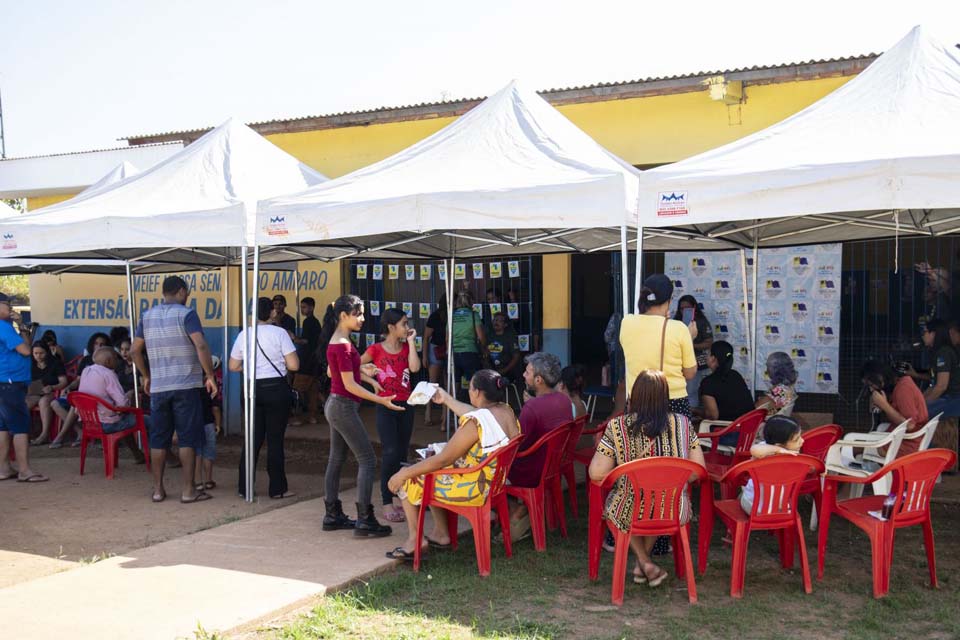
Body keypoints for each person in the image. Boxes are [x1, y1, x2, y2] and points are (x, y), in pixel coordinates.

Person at [588, 369, 705, 587]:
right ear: (666, 396)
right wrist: (671, 480)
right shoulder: (683, 424)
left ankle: (643, 561)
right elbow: (698, 470)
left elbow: (596, 473)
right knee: (656, 502)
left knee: (620, 504)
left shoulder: (618, 427)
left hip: (629, 507)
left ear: (635, 396)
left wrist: (624, 475)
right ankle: (643, 563)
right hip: (672, 508)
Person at [385, 370, 519, 560]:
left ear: (478, 392)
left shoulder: (475, 423)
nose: (469, 392)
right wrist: (446, 399)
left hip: (474, 488)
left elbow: (444, 459)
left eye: (471, 388)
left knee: (411, 477)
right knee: (431, 470)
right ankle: (441, 533)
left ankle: (415, 540)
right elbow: (476, 413)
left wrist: (404, 473)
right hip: (494, 483)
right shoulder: (506, 411)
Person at [131, 275, 218, 504]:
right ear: (181, 291)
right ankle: (188, 491)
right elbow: (200, 344)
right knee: (188, 439)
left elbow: (134, 350)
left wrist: (146, 375)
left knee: (159, 439)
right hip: (186, 386)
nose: (187, 297)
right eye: (186, 293)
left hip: (159, 387)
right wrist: (209, 375)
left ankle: (158, 490)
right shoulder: (187, 314)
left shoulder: (146, 316)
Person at [322, 294, 401, 537]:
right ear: (343, 316)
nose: (363, 319)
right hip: (343, 406)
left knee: (337, 459)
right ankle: (365, 519)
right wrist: (380, 399)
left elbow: (331, 372)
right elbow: (349, 385)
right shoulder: (344, 345)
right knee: (367, 460)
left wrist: (364, 374)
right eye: (358, 314)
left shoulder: (337, 341)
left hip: (335, 405)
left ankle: (332, 514)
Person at [230, 297, 300, 500]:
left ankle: (245, 488)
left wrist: (251, 369)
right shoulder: (280, 333)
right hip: (276, 389)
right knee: (275, 440)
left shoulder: (244, 334)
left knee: (252, 439)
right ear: (272, 312)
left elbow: (233, 366)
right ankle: (278, 489)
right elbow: (294, 365)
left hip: (252, 389)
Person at [362, 308, 422, 523]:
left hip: (406, 404)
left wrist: (413, 342)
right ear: (391, 327)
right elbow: (354, 367)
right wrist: (372, 382)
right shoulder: (376, 349)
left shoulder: (407, 348)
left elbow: (415, 368)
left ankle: (399, 495)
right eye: (404, 324)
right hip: (385, 404)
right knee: (390, 452)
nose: (407, 327)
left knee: (402, 451)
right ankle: (387, 500)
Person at [506, 352, 570, 539]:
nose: (524, 375)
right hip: (551, 467)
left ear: (539, 380)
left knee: (490, 468)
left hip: (530, 470)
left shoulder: (532, 408)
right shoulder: (563, 400)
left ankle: (517, 511)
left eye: (527, 372)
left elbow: (517, 444)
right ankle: (522, 511)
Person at [620, 274, 697, 419]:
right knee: (673, 441)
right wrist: (690, 337)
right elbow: (690, 373)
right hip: (673, 401)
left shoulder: (627, 323)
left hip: (637, 399)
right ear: (669, 300)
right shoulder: (679, 329)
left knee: (638, 441)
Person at [0, 294, 47, 482]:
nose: (10, 307)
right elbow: (27, 351)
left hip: (5, 382)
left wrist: (23, 327)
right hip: (11, 382)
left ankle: (4, 468)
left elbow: (26, 344)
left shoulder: (8, 327)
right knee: (20, 426)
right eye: (6, 304)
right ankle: (24, 470)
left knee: (3, 426)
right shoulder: (3, 327)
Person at [77, 347, 147, 464]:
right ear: (108, 361)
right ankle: (165, 455)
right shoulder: (108, 374)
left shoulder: (86, 371)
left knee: (125, 419)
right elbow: (122, 403)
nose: (118, 361)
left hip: (89, 423)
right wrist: (128, 402)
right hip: (107, 424)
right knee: (146, 420)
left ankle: (138, 455)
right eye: (116, 358)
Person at [861, 360, 928, 458]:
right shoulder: (902, 383)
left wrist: (885, 406)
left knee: (850, 447)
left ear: (880, 378)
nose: (871, 389)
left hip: (908, 445)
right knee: (868, 439)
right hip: (905, 439)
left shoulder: (903, 389)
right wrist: (883, 405)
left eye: (871, 385)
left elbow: (909, 425)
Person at [739, 415, 804, 515]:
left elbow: (755, 450)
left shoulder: (767, 449)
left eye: (800, 436)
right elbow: (755, 450)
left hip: (755, 507)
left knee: (744, 494)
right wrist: (779, 451)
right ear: (779, 445)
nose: (802, 441)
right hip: (779, 510)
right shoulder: (767, 451)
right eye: (796, 439)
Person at [698, 340, 756, 446]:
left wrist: (696, 412)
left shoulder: (708, 383)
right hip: (749, 433)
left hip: (728, 434)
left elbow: (712, 415)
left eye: (708, 353)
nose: (706, 356)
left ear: (713, 359)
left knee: (693, 429)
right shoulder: (736, 375)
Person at [907, 319, 960, 418]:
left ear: (934, 334)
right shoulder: (939, 352)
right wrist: (919, 401)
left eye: (925, 332)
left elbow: (941, 387)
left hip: (952, 399)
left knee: (917, 415)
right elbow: (933, 385)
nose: (923, 335)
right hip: (948, 398)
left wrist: (920, 405)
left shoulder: (943, 353)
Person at [674, 295, 713, 410]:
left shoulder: (701, 322)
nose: (685, 311)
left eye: (688, 308)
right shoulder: (675, 322)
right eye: (682, 309)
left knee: (691, 392)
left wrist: (691, 345)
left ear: (694, 308)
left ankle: (690, 420)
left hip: (695, 362)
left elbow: (709, 342)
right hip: (676, 364)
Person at [27, 341, 68, 445]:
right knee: (23, 404)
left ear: (47, 352)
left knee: (44, 401)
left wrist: (52, 387)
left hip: (53, 390)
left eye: (41, 353)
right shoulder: (30, 363)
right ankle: (23, 433)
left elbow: (63, 382)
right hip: (35, 391)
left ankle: (44, 435)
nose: (38, 356)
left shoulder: (55, 363)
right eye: (35, 353)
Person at [290, 297, 322, 426]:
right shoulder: (315, 322)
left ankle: (298, 417)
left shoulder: (309, 322)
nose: (302, 310)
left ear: (312, 307)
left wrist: (293, 338)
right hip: (314, 361)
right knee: (312, 391)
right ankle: (312, 416)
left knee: (297, 390)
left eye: (304, 307)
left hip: (307, 361)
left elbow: (306, 341)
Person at [452, 291, 486, 402]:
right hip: (470, 353)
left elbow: (447, 339)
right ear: (470, 302)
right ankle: (473, 408)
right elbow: (481, 337)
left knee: (454, 384)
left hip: (454, 354)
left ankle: (451, 411)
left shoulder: (452, 316)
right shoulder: (473, 315)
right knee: (474, 384)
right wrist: (484, 349)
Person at [422, 295, 448, 428]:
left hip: (448, 350)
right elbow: (426, 337)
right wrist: (424, 356)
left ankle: (444, 416)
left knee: (446, 384)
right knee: (433, 384)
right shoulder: (435, 316)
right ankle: (428, 413)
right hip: (436, 349)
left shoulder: (454, 315)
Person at [487, 312, 522, 382]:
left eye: (499, 321)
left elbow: (516, 356)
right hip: (491, 370)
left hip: (507, 371)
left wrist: (504, 371)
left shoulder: (510, 337)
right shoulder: (489, 336)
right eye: (495, 320)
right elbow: (484, 354)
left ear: (505, 324)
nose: (496, 322)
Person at [604, 311, 626, 416]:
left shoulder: (617, 316)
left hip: (616, 352)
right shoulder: (639, 316)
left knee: (616, 380)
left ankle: (615, 404)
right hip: (631, 352)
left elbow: (607, 335)